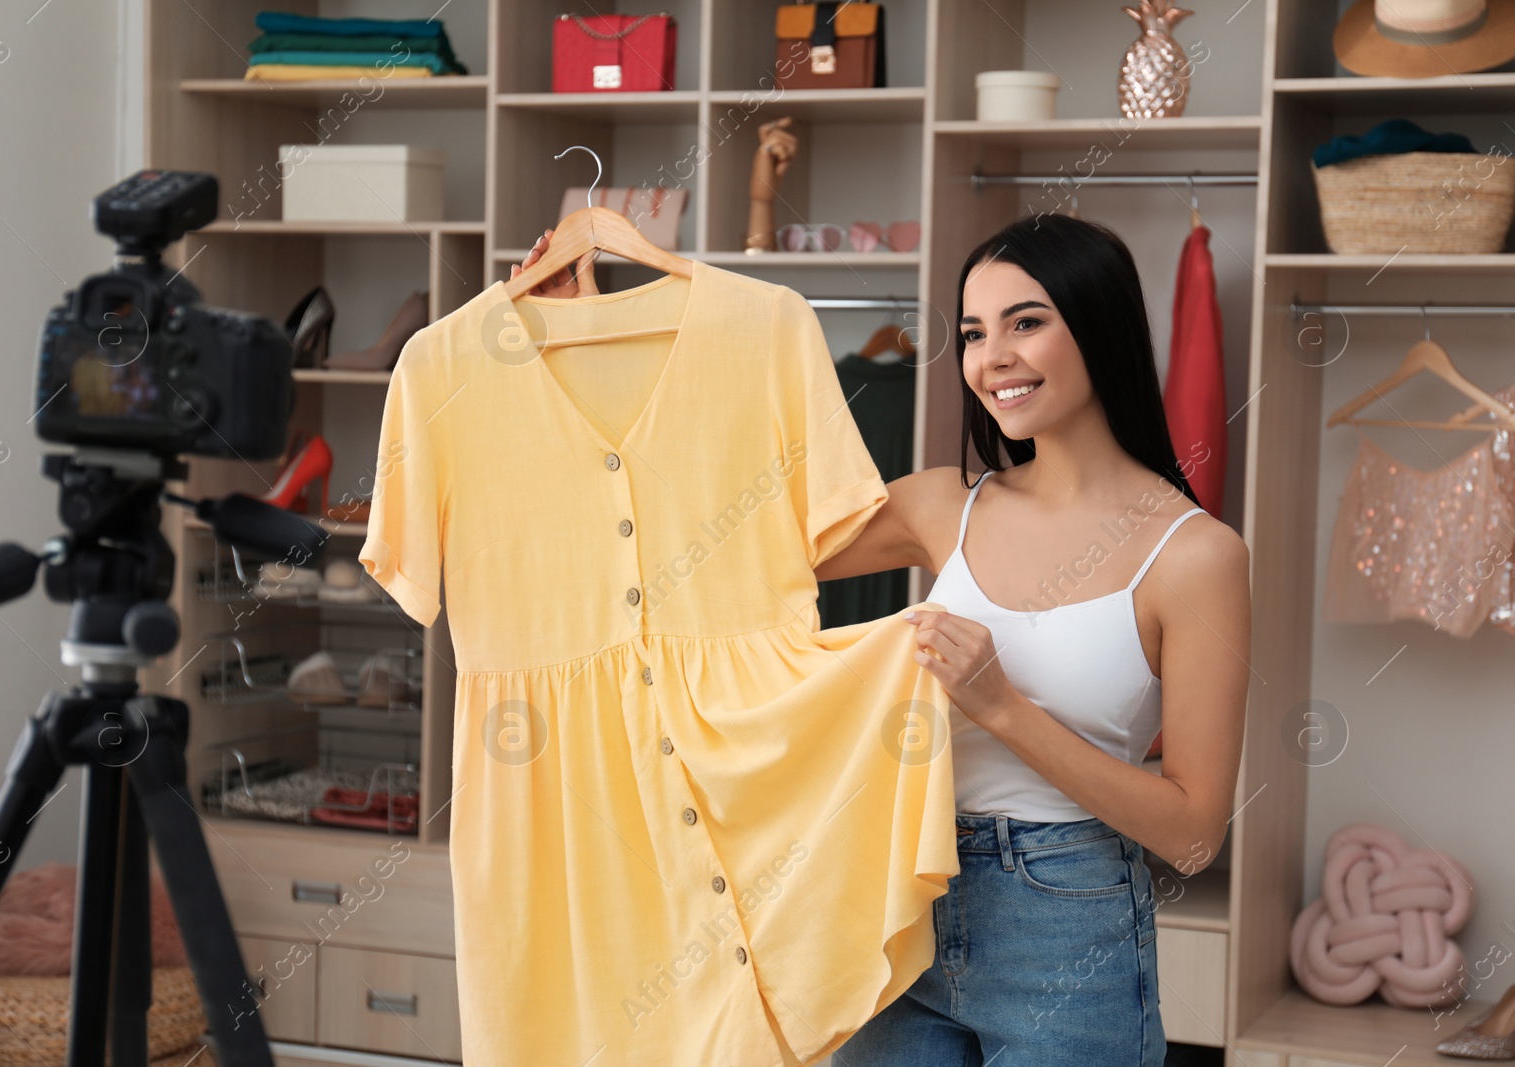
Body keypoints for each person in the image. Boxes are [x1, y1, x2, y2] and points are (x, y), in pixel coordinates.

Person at [510, 211, 1250, 1065]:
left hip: (1068, 914)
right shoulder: (945, 504)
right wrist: (579, 336)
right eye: (974, 333)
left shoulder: (1196, 556)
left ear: (1102, 325)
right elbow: (711, 544)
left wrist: (1001, 707)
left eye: (1026, 322)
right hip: (901, 886)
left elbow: (1193, 832)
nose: (992, 357)